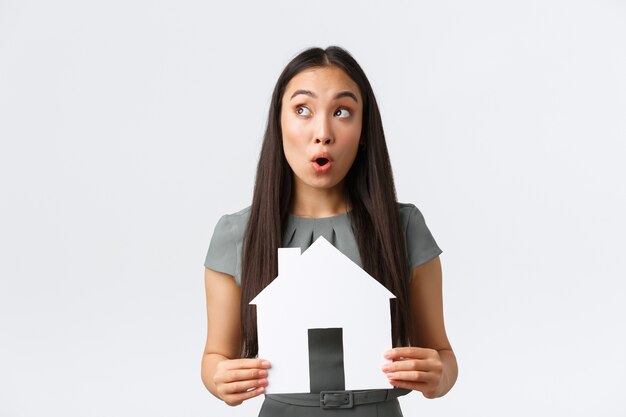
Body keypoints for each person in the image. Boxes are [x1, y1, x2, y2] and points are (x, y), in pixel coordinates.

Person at [201, 46, 458, 416]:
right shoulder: (236, 234)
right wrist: (220, 379)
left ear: (364, 129)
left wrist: (438, 377)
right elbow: (214, 357)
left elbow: (443, 356)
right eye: (302, 109)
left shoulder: (402, 229)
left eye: (342, 112)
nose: (322, 132)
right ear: (278, 124)